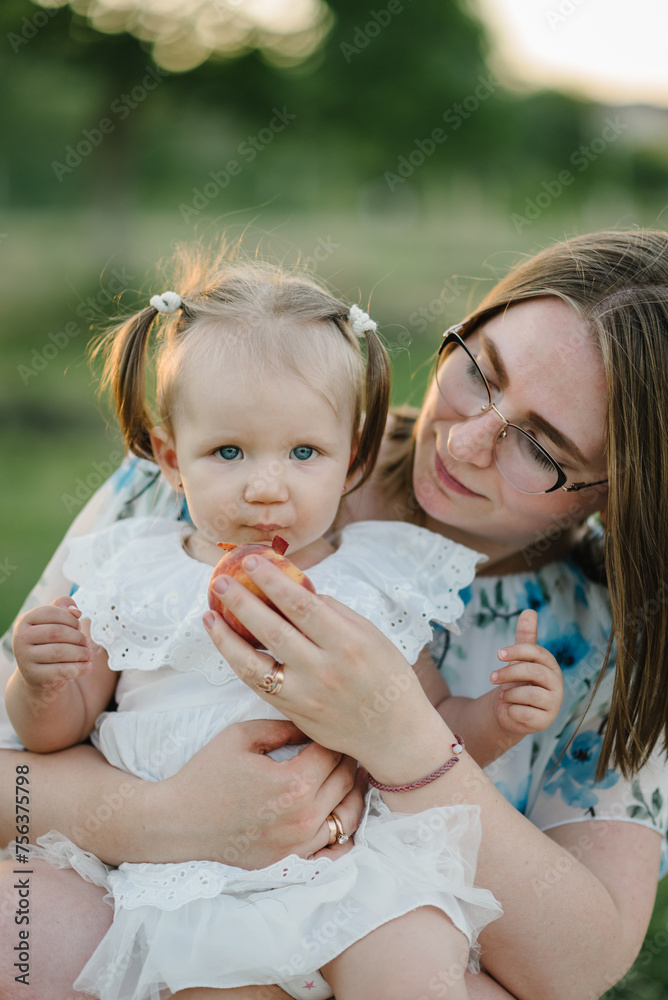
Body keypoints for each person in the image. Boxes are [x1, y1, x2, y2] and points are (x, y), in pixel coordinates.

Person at [0, 228, 667, 1000]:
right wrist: (160, 816)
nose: (466, 439)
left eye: (541, 446)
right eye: (481, 372)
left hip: (373, 935)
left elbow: (577, 969)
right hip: (147, 902)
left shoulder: (607, 634)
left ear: (617, 493)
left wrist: (404, 739)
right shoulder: (206, 463)